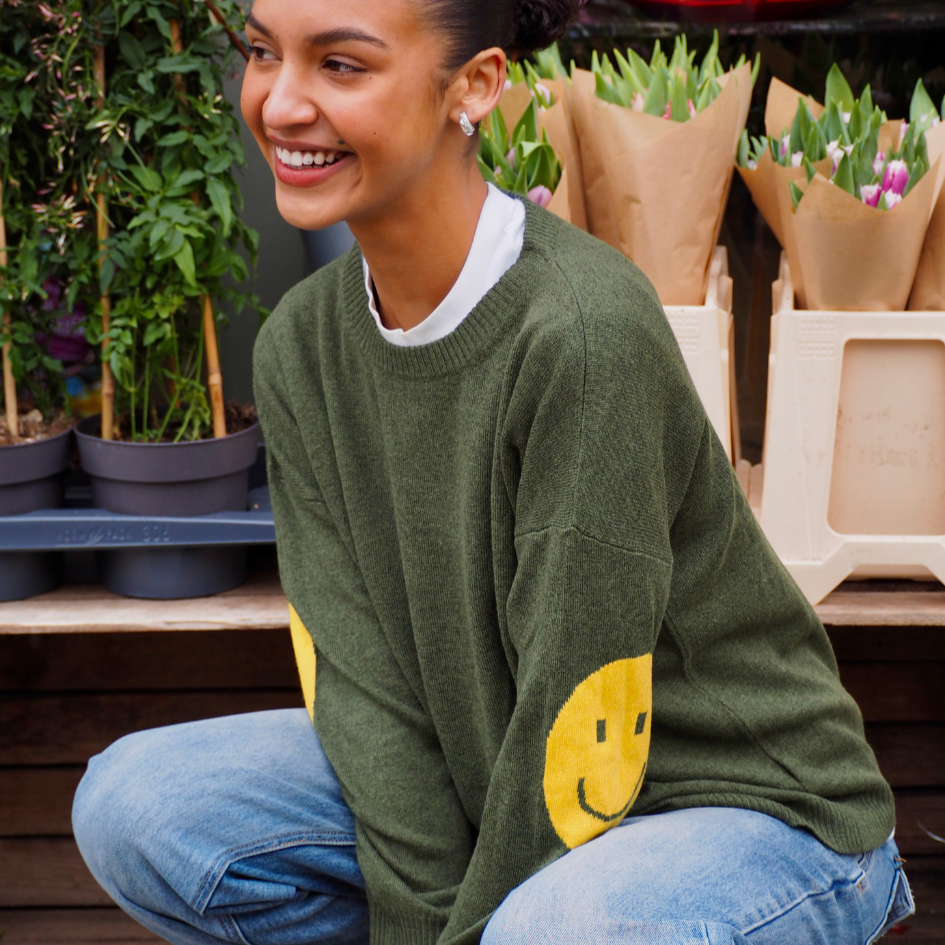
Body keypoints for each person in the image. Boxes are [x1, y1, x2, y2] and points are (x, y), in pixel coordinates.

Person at [73, 0, 915, 942]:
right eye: (265, 52)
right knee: (138, 802)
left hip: (737, 800)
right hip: (487, 758)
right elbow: (362, 689)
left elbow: (579, 719)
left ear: (473, 86)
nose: (279, 103)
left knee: (549, 929)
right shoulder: (301, 346)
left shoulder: (582, 334)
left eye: (341, 65)